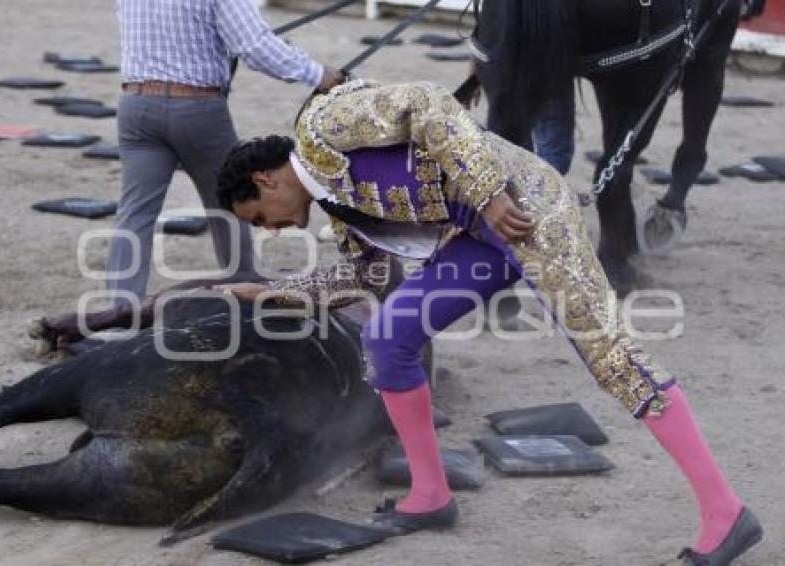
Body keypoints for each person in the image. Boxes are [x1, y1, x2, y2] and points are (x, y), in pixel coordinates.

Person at [213, 80, 761, 565]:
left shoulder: (323, 125)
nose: (273, 230)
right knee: (388, 337)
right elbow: (368, 274)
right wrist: (278, 294)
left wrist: (489, 194)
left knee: (611, 360)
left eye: (261, 218)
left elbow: (427, 104)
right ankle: (430, 496)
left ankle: (725, 513)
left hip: (527, 213)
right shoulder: (337, 206)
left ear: (265, 179)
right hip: (478, 237)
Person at [106, 0, 344, 306]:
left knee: (135, 211)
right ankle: (246, 280)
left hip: (136, 103)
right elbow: (255, 46)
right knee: (232, 199)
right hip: (197, 107)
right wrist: (318, 74)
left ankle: (120, 307)